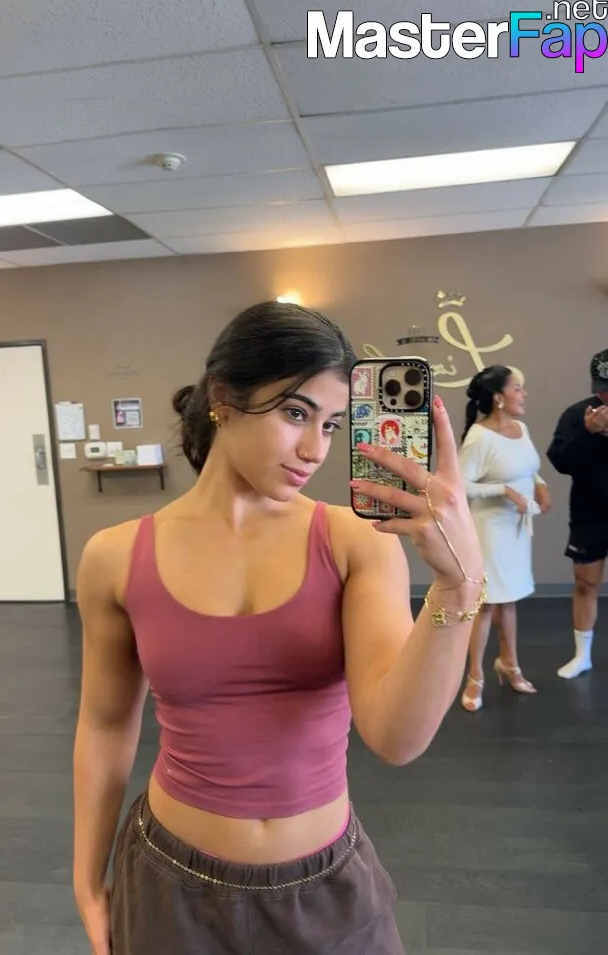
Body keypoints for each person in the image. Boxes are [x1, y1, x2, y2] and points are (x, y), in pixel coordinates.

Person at [72, 301, 484, 955]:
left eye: (332, 424)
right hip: (168, 884)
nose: (316, 449)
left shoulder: (354, 541)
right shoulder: (114, 556)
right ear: (222, 400)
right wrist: (86, 879)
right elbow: (103, 724)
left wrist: (458, 585)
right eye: (295, 413)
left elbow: (396, 738)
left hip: (324, 891)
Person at [457, 365, 551, 712]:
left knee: (508, 599)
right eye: (517, 388)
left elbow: (527, 467)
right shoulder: (479, 437)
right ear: (498, 397)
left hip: (516, 530)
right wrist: (503, 491)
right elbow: (460, 484)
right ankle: (475, 675)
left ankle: (509, 663)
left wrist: (540, 485)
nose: (524, 394)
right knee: (486, 603)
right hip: (491, 531)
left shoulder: (520, 429)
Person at [546, 349, 608, 678]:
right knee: (586, 582)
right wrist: (587, 432)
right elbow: (560, 461)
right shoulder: (577, 414)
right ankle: (582, 655)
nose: (605, 395)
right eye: (601, 388)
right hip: (589, 512)